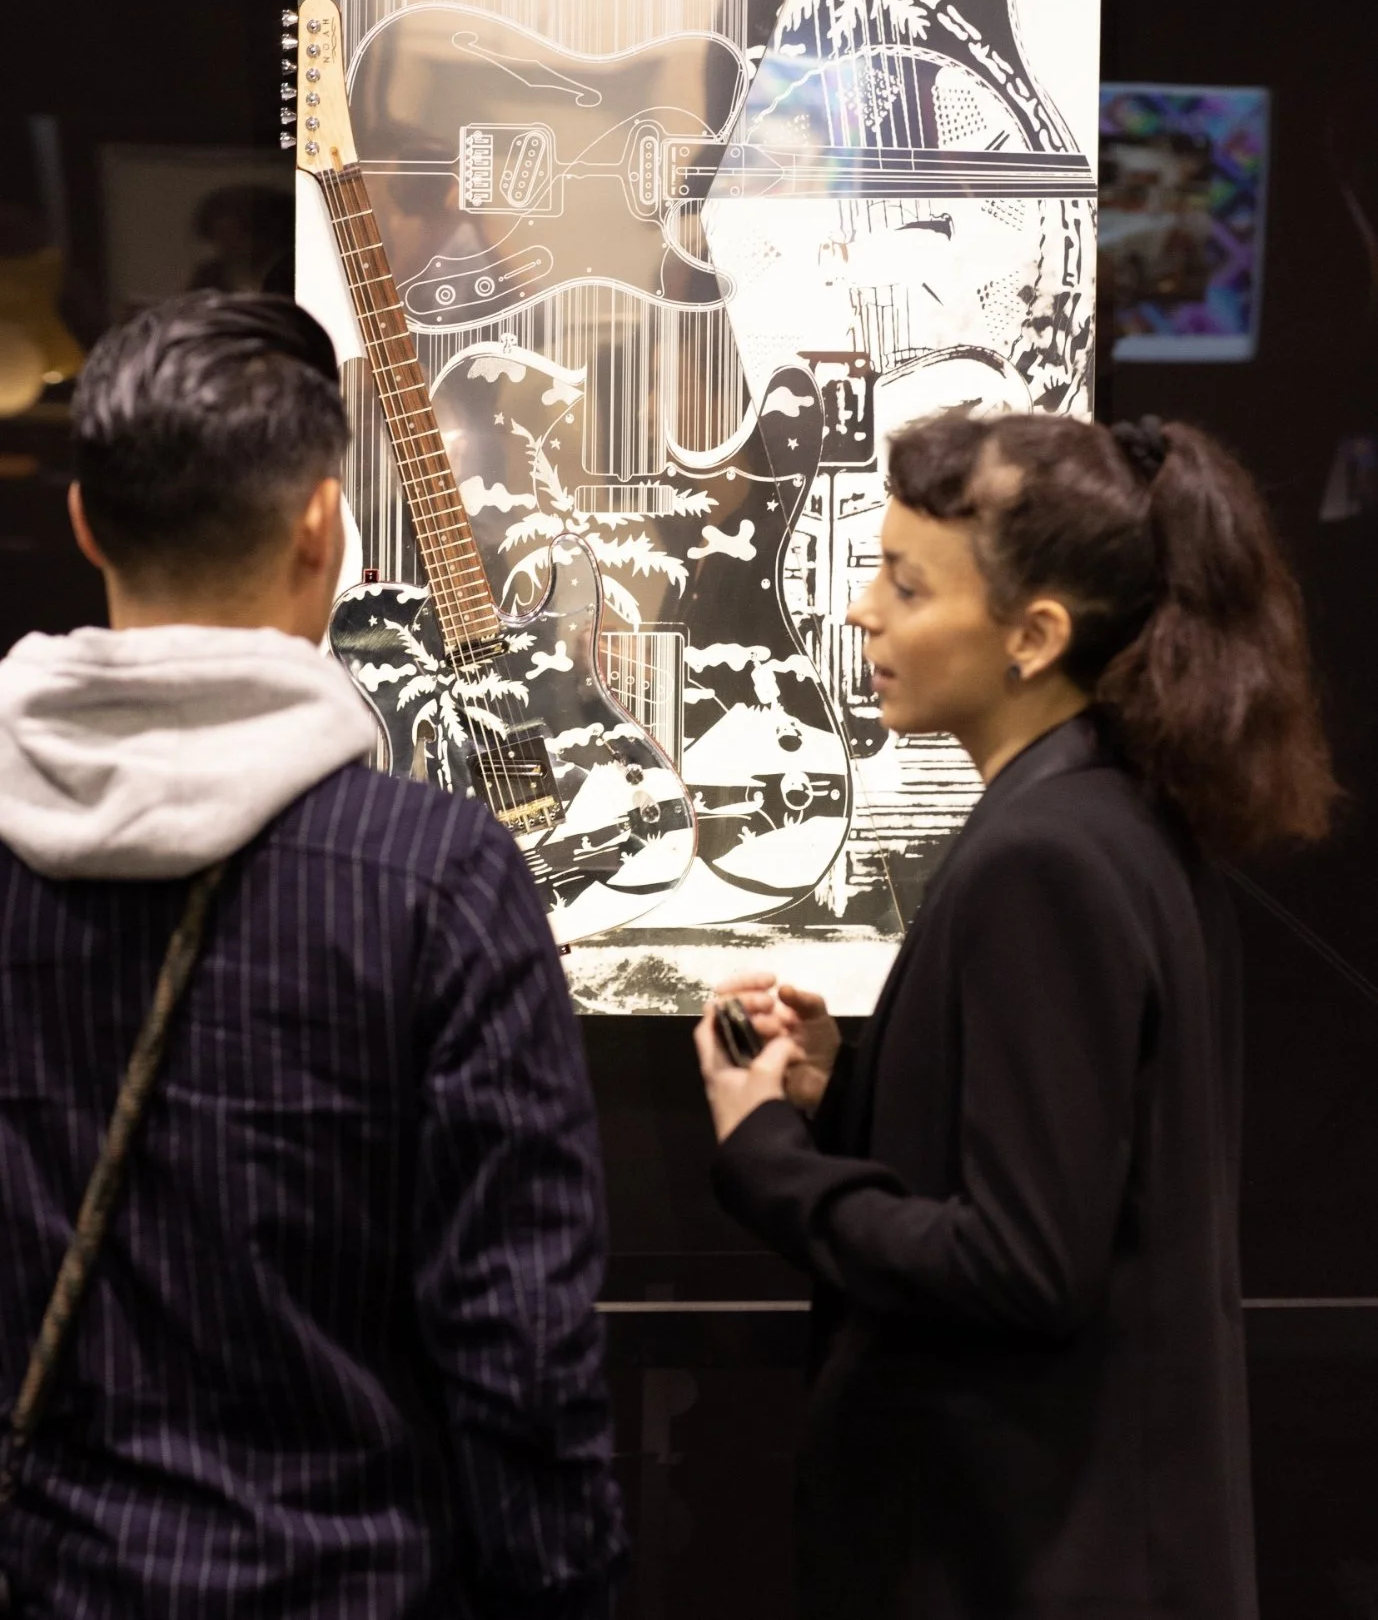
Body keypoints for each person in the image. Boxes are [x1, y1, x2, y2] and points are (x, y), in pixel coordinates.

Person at [0, 292, 624, 1618]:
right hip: (359, 1583)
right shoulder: (435, 879)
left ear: (84, 524)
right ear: (321, 525)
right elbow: (518, 1342)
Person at [695, 409, 1336, 1620]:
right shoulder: (1109, 815)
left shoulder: (1044, 853)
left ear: (1033, 635)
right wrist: (844, 1095)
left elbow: (1024, 1262)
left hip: (1033, 1563)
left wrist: (763, 1151)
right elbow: (1073, 1175)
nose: (861, 611)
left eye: (904, 581)